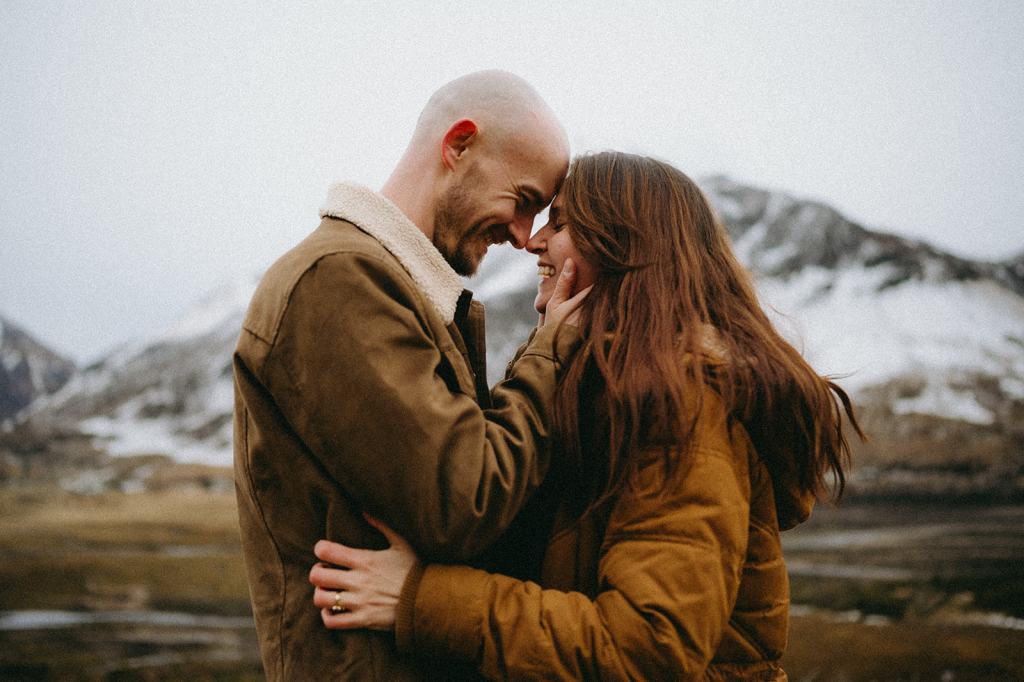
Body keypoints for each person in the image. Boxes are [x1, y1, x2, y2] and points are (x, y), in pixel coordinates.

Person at [308, 152, 863, 680]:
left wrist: (421, 599)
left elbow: (647, 647)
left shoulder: (685, 404)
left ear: (624, 247)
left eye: (563, 223)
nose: (534, 241)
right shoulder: (610, 388)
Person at [233, 70, 589, 681]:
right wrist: (553, 352)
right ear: (458, 146)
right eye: (523, 200)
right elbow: (466, 500)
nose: (521, 236)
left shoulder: (402, 292)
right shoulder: (338, 282)